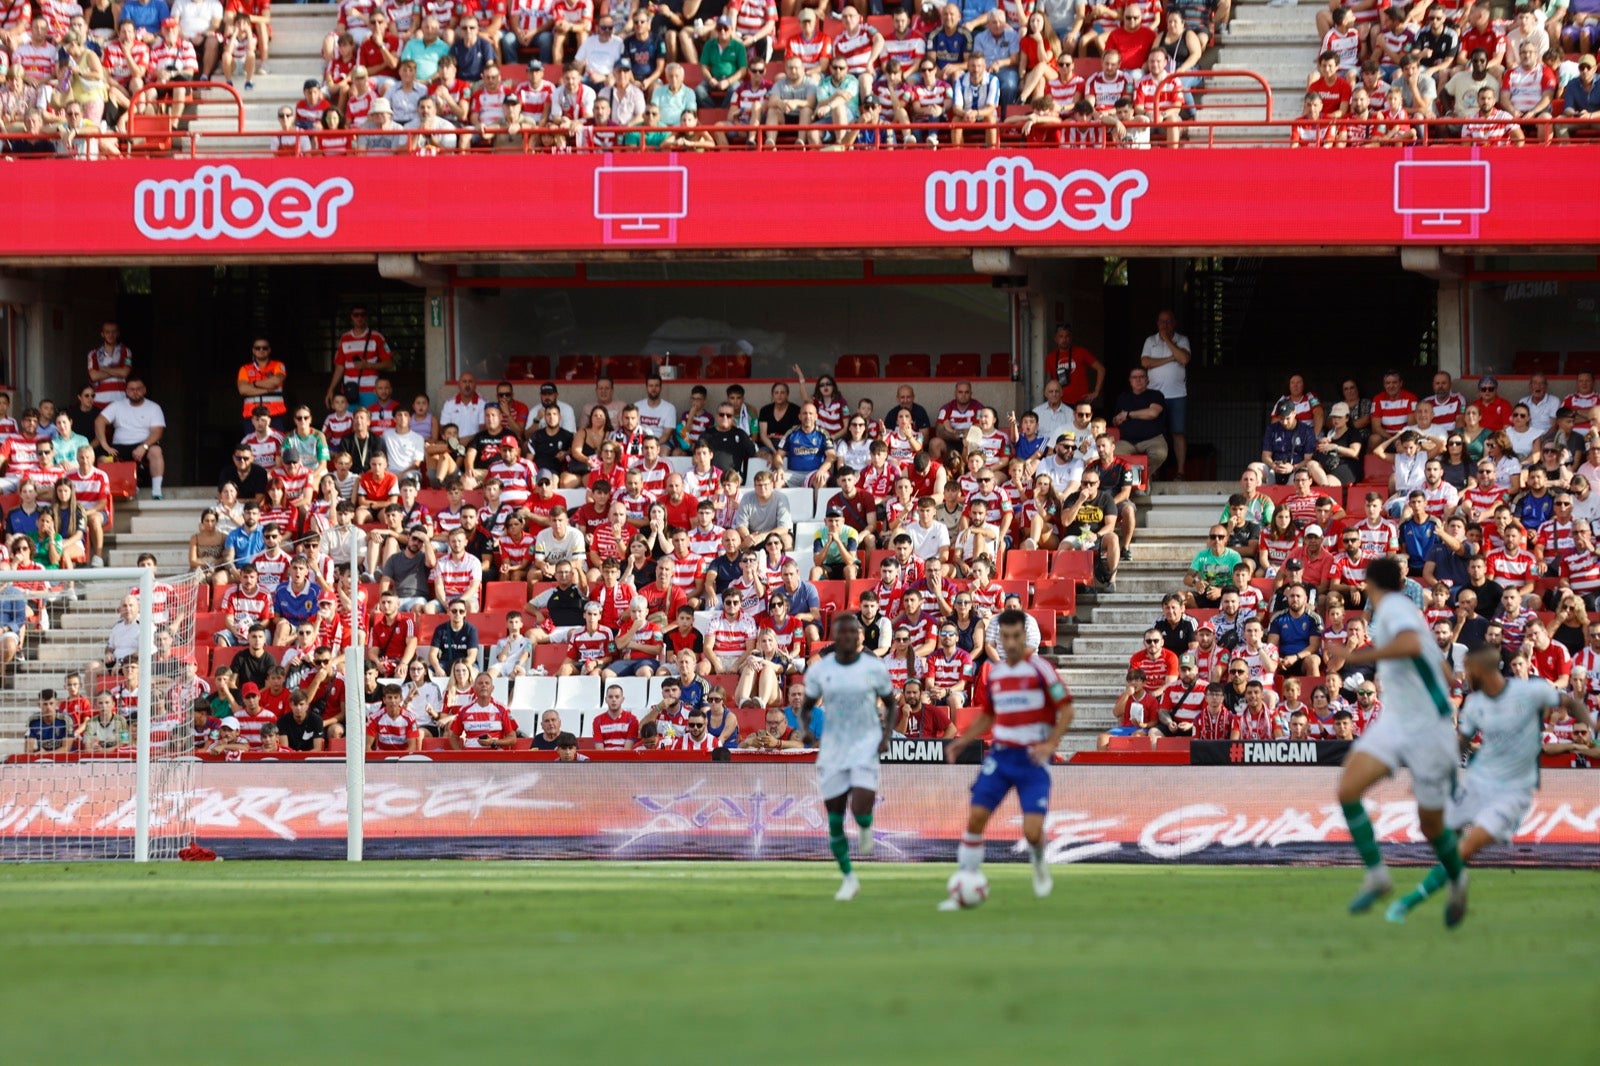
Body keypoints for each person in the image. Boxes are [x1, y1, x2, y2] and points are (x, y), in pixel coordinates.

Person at [1389, 645, 1593, 924]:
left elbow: (1571, 703)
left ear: (1482, 670)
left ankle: (1411, 902)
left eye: (1468, 670)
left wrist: (1593, 729)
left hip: (1513, 792)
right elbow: (1462, 742)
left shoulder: (1528, 692)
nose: (1464, 676)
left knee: (1467, 846)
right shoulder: (1475, 704)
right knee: (1444, 836)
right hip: (1478, 781)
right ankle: (1457, 881)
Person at [1336, 555, 1468, 919]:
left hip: (1427, 727)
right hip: (1400, 720)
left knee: (1431, 825)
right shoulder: (1410, 612)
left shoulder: (1393, 609)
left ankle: (1458, 880)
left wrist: (1355, 655)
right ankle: (1378, 876)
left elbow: (1410, 646)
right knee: (1348, 788)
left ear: (1370, 585)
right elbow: (1443, 670)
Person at [939, 609, 1073, 909]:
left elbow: (1067, 709)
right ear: (998, 640)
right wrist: (961, 742)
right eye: (1005, 637)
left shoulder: (1041, 669)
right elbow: (988, 714)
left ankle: (1039, 861)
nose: (1010, 643)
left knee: (1032, 831)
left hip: (1033, 759)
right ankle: (964, 884)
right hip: (1002, 756)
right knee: (975, 817)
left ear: (1024, 637)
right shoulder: (996, 673)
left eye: (1016, 637)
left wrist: (1051, 743)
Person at [798, 612, 895, 902]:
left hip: (864, 743)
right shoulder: (821, 670)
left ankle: (865, 825)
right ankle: (848, 877)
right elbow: (805, 705)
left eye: (854, 633)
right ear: (836, 637)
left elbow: (891, 703)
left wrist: (885, 736)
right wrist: (805, 731)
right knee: (835, 817)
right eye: (843, 633)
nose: (849, 637)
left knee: (861, 804)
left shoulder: (873, 667)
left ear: (861, 636)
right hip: (833, 747)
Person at [93, 376, 166, 499]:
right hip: (119, 446)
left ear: (144, 390)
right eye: (131, 389)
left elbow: (157, 432)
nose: (135, 392)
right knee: (103, 458)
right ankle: (108, 492)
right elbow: (99, 421)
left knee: (156, 451)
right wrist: (105, 444)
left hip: (144, 445)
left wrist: (144, 446)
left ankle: (156, 491)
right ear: (126, 391)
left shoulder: (154, 407)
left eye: (138, 389)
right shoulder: (117, 405)